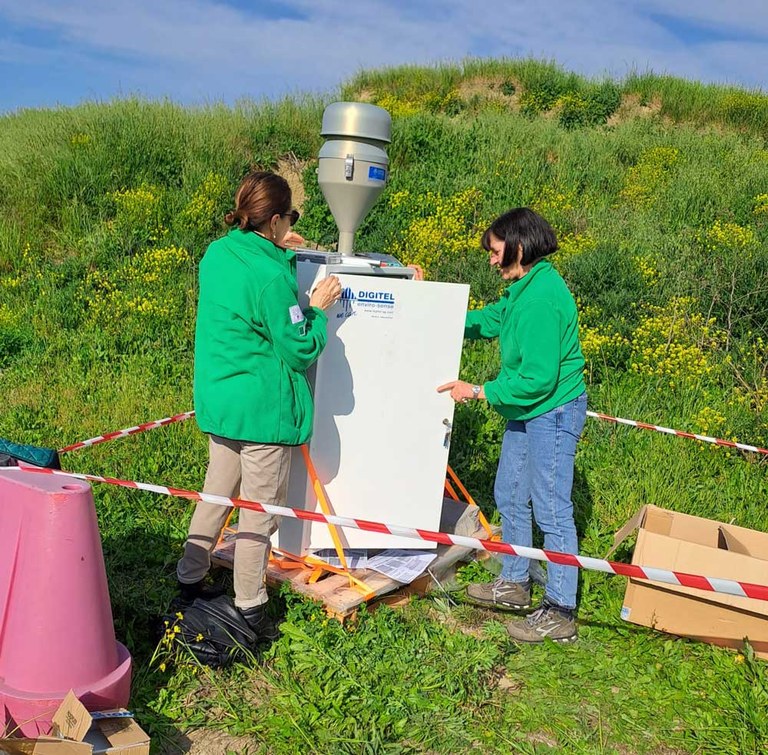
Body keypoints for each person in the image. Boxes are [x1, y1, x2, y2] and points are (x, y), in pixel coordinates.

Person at [176, 171, 341, 641]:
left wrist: (280, 249)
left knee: (215, 495)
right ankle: (249, 607)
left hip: (221, 403)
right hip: (262, 415)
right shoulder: (271, 276)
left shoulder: (218, 253)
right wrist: (316, 308)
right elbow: (298, 348)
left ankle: (188, 581)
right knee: (256, 514)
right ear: (273, 219)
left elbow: (251, 295)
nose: (292, 223)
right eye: (288, 217)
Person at [438, 207, 586, 643]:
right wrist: (436, 315)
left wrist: (480, 391)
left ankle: (560, 610)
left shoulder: (541, 299)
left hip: (552, 411)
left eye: (496, 251)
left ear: (519, 249)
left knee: (552, 508)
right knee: (509, 493)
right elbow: (491, 321)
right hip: (527, 409)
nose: (490, 259)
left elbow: (539, 378)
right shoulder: (523, 287)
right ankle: (516, 581)